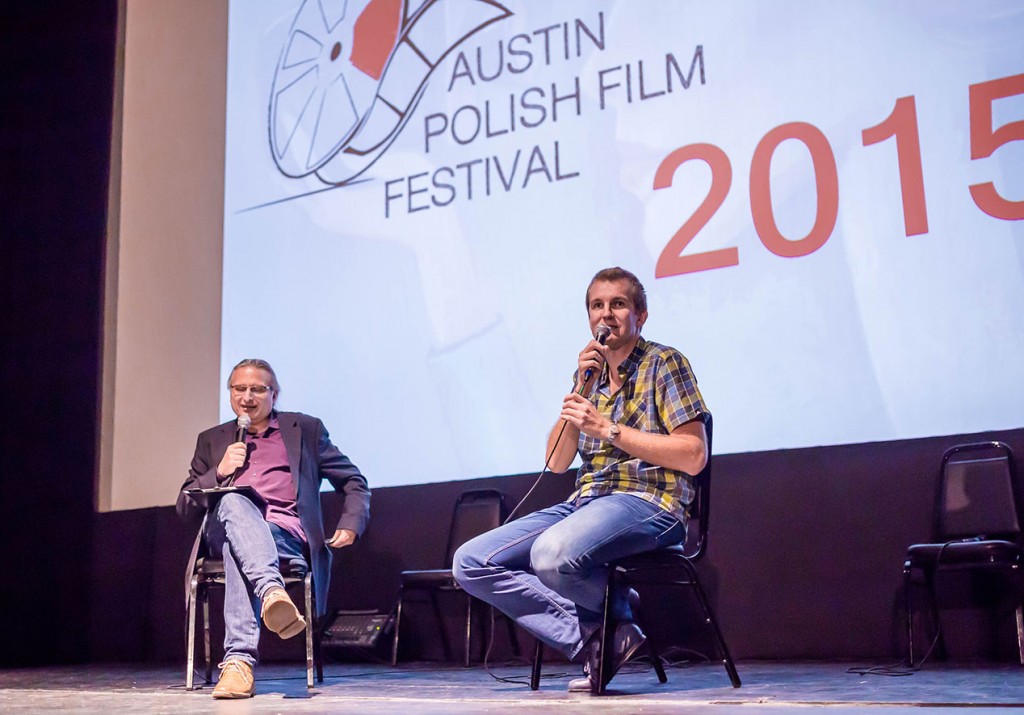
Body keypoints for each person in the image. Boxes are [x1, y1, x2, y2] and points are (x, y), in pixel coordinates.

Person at [453, 267, 710, 693]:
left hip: (650, 502)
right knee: (471, 562)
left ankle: (613, 607)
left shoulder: (664, 363)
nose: (605, 314)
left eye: (618, 304)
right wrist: (582, 390)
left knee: (551, 554)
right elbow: (557, 462)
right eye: (597, 305)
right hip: (585, 503)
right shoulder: (588, 376)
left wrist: (608, 429)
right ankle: (609, 633)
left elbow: (694, 455)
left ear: (640, 315)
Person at [176, 358, 370, 699]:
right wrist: (218, 472)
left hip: (284, 534)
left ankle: (238, 664)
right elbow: (185, 506)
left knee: (238, 551)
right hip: (222, 528)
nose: (247, 397)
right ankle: (271, 592)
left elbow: (353, 480)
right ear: (230, 393)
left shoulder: (305, 430)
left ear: (274, 394)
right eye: (239, 389)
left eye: (257, 389)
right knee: (234, 500)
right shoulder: (211, 440)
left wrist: (351, 522)